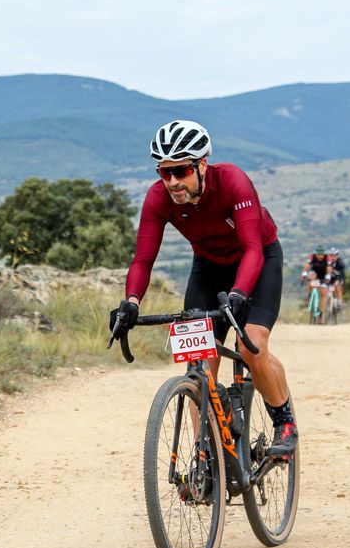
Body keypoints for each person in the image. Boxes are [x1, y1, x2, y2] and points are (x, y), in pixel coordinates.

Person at [111, 119, 298, 458]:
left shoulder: (232, 182)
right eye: (163, 173)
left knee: (250, 344)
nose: (172, 182)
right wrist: (131, 302)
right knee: (198, 357)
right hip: (209, 267)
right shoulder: (158, 198)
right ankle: (205, 453)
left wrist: (240, 294)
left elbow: (253, 249)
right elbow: (143, 259)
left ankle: (283, 421)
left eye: (180, 171)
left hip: (256, 259)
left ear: (202, 165)